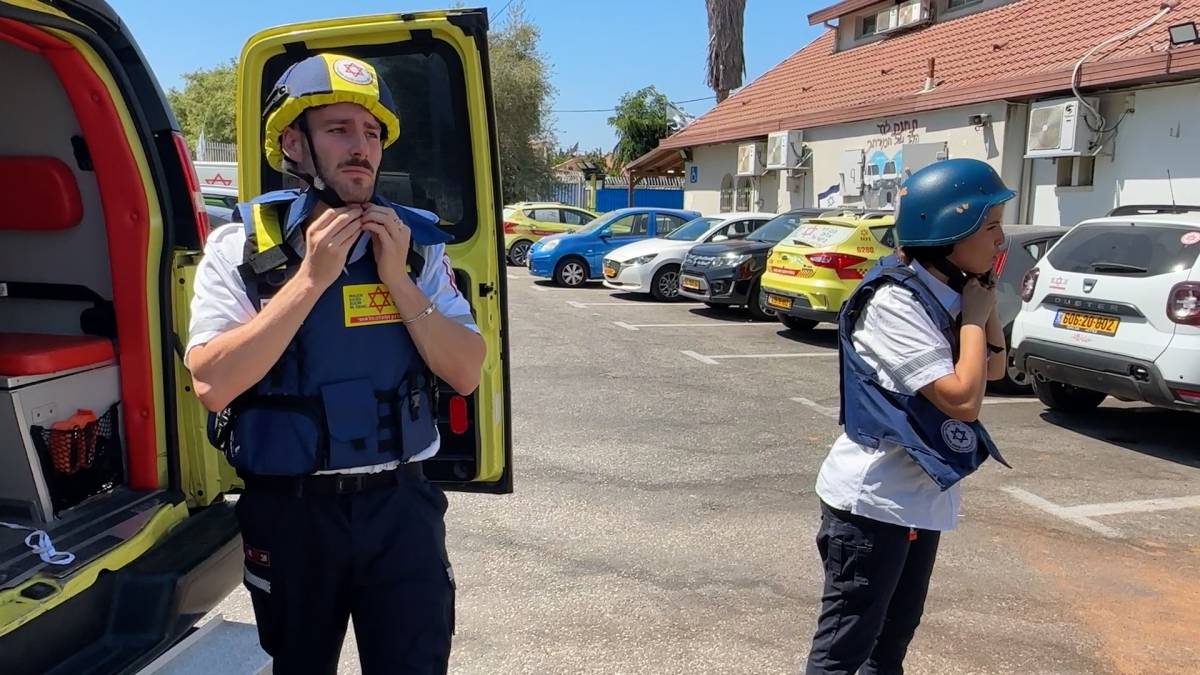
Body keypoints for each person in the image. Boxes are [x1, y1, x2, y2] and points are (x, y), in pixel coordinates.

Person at [184, 52, 486, 674]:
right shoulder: (242, 246)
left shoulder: (414, 246)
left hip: (400, 509)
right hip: (292, 514)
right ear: (294, 144)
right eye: (339, 130)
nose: (362, 148)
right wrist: (311, 279)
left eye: (372, 133)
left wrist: (398, 281)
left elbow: (466, 371)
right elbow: (212, 383)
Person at [804, 158, 1013, 675]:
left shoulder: (948, 293)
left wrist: (983, 308)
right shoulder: (893, 301)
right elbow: (963, 398)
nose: (1001, 241)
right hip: (873, 504)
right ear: (949, 231)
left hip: (916, 502)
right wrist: (973, 314)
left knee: (890, 647)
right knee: (842, 654)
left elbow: (996, 367)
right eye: (990, 228)